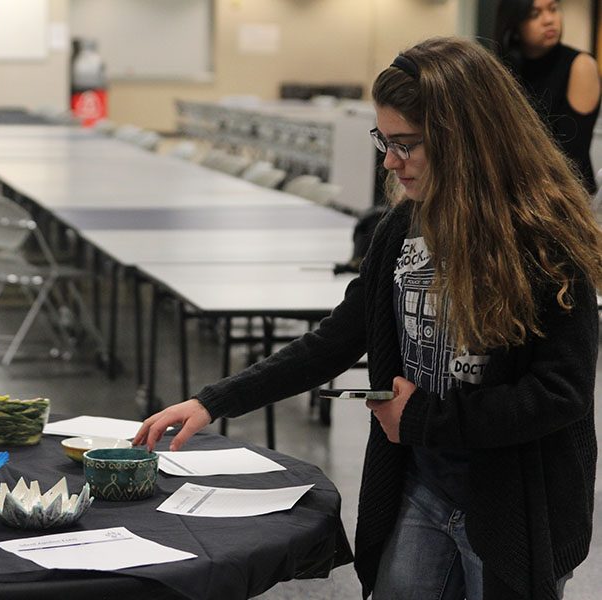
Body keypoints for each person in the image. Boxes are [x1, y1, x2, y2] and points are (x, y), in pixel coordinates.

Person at [134, 37, 602, 600]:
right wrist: (214, 401)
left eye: (406, 145)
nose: (389, 161)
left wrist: (424, 419)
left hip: (514, 505)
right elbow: (334, 340)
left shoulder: (543, 240)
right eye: (385, 141)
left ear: (466, 141)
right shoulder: (400, 230)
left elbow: (560, 394)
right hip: (422, 488)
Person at [494, 0, 601, 193]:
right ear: (514, 24)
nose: (549, 20)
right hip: (517, 189)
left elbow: (570, 156)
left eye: (553, 9)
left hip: (568, 194)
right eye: (535, 14)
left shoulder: (580, 65)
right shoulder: (502, 69)